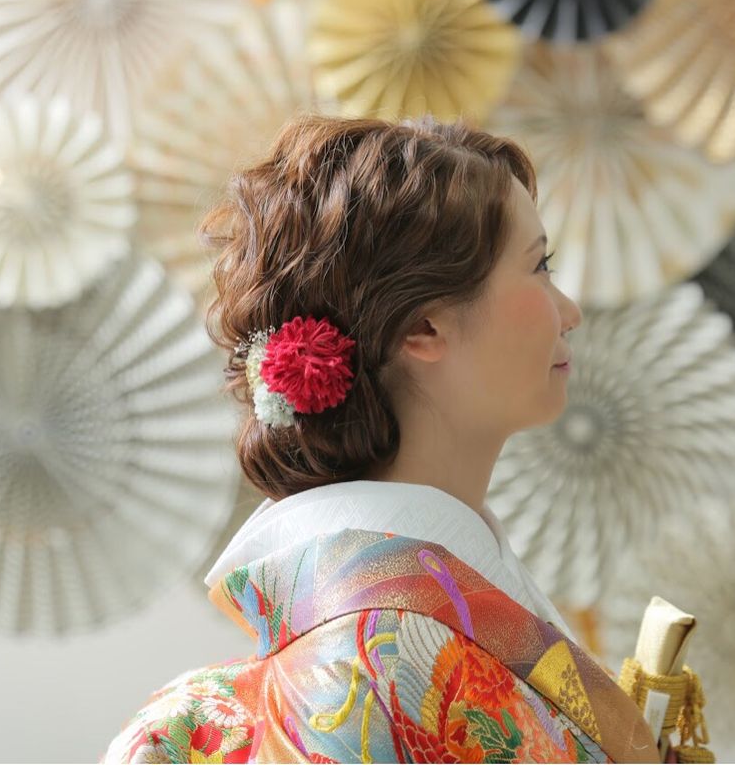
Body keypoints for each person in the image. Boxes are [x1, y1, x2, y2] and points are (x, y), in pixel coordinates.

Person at [100, 113, 660, 763]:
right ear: (423, 326)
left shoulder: (409, 633)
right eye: (539, 266)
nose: (570, 312)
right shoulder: (376, 667)